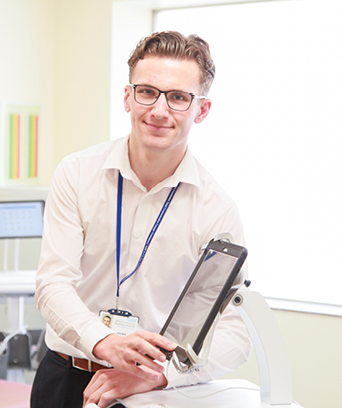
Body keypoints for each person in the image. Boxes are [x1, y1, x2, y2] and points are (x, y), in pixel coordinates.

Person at [30, 31, 252, 408]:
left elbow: (234, 331)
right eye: (147, 91)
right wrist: (105, 342)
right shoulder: (77, 173)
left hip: (149, 391)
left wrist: (162, 374)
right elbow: (52, 284)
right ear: (128, 97)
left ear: (202, 109)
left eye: (179, 97)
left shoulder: (217, 209)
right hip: (64, 376)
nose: (160, 110)